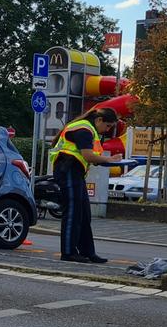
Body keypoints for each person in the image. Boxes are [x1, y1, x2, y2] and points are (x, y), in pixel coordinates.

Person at [48, 107, 123, 263]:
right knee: (73, 213)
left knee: (84, 214)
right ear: (99, 120)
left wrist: (103, 160)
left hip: (74, 171)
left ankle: (88, 252)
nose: (107, 130)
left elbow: (90, 157)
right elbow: (88, 155)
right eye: (108, 126)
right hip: (68, 170)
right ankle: (68, 252)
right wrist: (109, 160)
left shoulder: (89, 129)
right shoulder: (84, 130)